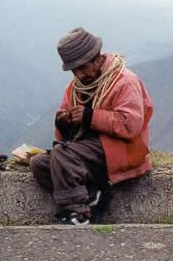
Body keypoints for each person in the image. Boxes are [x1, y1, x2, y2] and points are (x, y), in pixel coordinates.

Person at [30, 27, 154, 225]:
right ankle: (91, 197)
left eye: (82, 67)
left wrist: (90, 117)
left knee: (62, 155)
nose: (79, 74)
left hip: (120, 150)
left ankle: (77, 212)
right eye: (74, 70)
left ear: (96, 58)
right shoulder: (76, 86)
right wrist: (63, 122)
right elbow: (65, 128)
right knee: (40, 164)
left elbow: (131, 125)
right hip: (90, 152)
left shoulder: (124, 81)